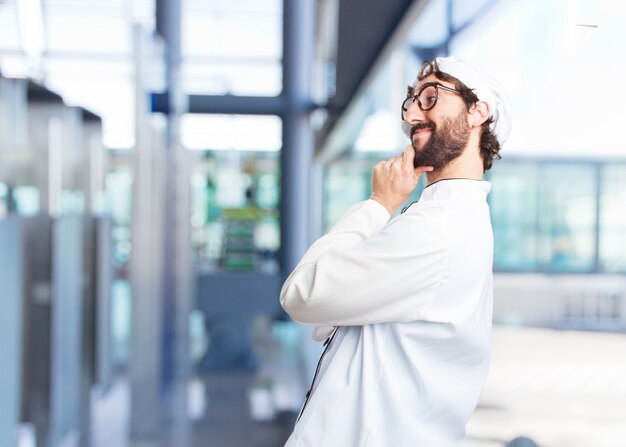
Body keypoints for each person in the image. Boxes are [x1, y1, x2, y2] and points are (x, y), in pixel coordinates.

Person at [280, 56, 512, 446]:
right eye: (410, 101)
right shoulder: (451, 219)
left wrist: (378, 204)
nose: (412, 114)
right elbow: (335, 311)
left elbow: (302, 294)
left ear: (477, 112)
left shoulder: (437, 229)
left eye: (430, 96)